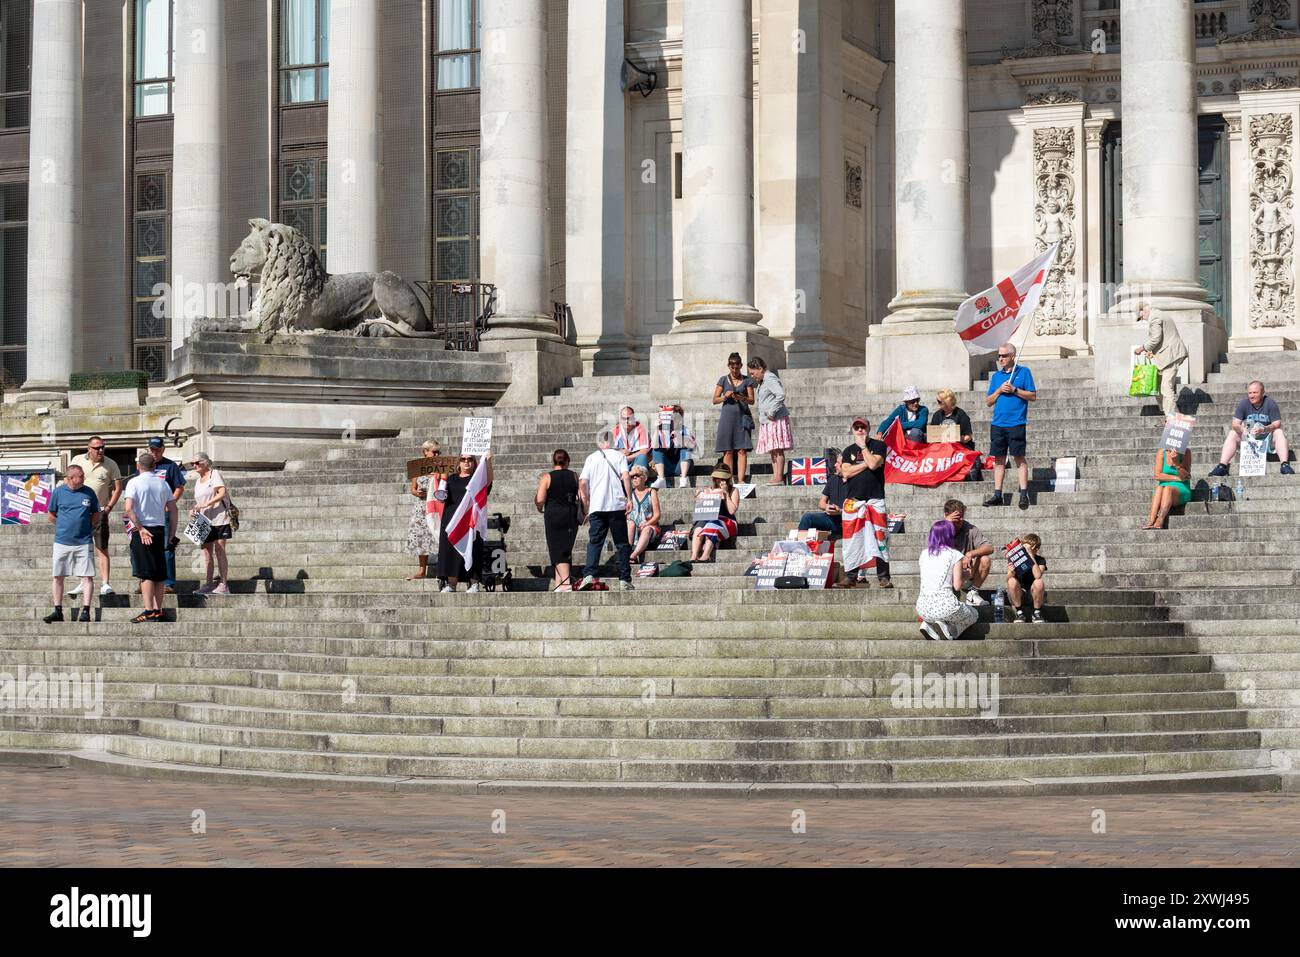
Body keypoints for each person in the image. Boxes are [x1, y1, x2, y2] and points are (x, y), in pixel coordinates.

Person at [123, 452, 176, 623]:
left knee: (145, 573)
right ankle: (158, 610)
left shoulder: (134, 482)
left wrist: (140, 528)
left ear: (138, 466)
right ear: (155, 466)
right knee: (159, 574)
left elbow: (129, 508)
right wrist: (172, 534)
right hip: (160, 529)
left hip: (143, 529)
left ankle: (148, 610)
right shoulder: (163, 484)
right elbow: (173, 510)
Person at [44, 465, 101, 624]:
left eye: (83, 475)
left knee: (87, 576)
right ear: (70, 478)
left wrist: (86, 526)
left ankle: (86, 611)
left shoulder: (89, 492)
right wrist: (63, 525)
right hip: (62, 541)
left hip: (84, 541)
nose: (83, 478)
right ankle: (58, 610)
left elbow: (96, 513)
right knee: (57, 576)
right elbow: (51, 514)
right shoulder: (58, 492)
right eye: (80, 476)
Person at [839, 417, 891, 588]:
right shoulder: (848, 450)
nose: (860, 430)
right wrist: (865, 465)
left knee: (880, 538)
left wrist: (863, 448)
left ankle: (883, 577)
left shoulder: (878, 445)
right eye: (857, 427)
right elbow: (845, 471)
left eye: (863, 427)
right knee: (853, 540)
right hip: (854, 500)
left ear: (869, 428)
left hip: (875, 499)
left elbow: (875, 464)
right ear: (853, 430)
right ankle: (851, 576)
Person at [577, 433, 634, 591]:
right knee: (622, 543)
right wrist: (629, 498)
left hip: (597, 506)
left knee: (595, 542)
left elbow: (582, 482)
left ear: (600, 443)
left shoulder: (591, 458)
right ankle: (624, 579)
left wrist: (587, 500)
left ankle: (589, 574)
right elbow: (626, 477)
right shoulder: (619, 456)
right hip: (616, 504)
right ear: (613, 442)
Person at [67, 436, 122, 597]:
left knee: (102, 547)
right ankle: (82, 582)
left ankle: (105, 583)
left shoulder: (110, 463)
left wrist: (109, 507)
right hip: (79, 512)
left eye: (103, 447)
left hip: (100, 511)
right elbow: (68, 482)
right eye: (97, 448)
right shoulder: (77, 459)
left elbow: (118, 488)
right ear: (88, 448)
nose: (100, 450)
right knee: (81, 548)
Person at [984, 343, 1036, 510]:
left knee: (1019, 458)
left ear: (1012, 356)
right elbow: (989, 402)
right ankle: (998, 493)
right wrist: (999, 390)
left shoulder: (1024, 372)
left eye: (1004, 356)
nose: (1000, 359)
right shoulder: (996, 377)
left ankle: (1023, 493)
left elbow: (1033, 395)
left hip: (1016, 423)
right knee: (998, 460)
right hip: (998, 423)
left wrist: (1014, 390)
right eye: (999, 356)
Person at [1208, 380, 1294, 476]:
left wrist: (1264, 429)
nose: (1251, 396)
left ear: (1262, 393)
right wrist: (1242, 429)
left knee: (1279, 432)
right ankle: (1222, 466)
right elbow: (1235, 424)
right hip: (1249, 438)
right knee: (1233, 433)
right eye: (1250, 393)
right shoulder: (1244, 403)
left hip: (1266, 439)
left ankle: (1284, 464)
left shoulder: (1270, 403)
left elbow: (1277, 423)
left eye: (1255, 392)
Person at [437, 452, 494, 593]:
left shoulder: (477, 479)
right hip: (452, 520)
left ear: (474, 463)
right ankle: (451, 584)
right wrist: (442, 479)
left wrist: (488, 462)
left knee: (473, 550)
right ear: (459, 462)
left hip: (471, 522)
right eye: (463, 459)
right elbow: (441, 497)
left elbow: (489, 482)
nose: (466, 462)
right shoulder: (451, 479)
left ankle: (474, 583)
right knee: (451, 552)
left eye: (470, 459)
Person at [916, 519, 979, 641]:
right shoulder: (955, 554)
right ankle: (949, 630)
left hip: (922, 608)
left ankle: (930, 625)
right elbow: (957, 586)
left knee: (941, 613)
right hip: (945, 607)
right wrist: (968, 574)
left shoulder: (924, 554)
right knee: (974, 614)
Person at [144, 437, 186, 593]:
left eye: (157, 449)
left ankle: (168, 582)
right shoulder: (143, 465)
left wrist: (170, 503)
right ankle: (146, 580)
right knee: (145, 548)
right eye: (151, 449)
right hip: (146, 514)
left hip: (164, 513)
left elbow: (179, 487)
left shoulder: (170, 466)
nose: (154, 452)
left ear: (163, 449)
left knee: (167, 547)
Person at [1133, 301, 1188, 420]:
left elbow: (1156, 338)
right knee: (1158, 385)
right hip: (1168, 355)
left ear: (1144, 311)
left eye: (1141, 317)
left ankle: (1172, 418)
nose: (1143, 319)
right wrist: (1152, 353)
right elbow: (1163, 338)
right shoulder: (1159, 315)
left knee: (1165, 387)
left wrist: (1142, 348)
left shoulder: (1155, 317)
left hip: (1171, 356)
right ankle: (1171, 415)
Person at [536, 449, 581, 592]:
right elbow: (582, 496)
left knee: (556, 548)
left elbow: (540, 499)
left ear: (553, 461)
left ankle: (566, 583)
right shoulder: (574, 476)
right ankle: (559, 583)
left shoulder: (547, 477)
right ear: (567, 461)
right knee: (564, 547)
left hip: (553, 514)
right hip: (570, 514)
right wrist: (584, 511)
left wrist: (538, 507)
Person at [188, 453, 234, 595]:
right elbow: (200, 501)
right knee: (206, 552)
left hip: (219, 517)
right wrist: (194, 509)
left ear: (206, 463)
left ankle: (223, 583)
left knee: (219, 550)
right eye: (192, 463)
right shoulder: (198, 481)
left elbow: (222, 492)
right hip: (203, 520)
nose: (194, 466)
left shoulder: (214, 474)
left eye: (197, 462)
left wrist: (206, 504)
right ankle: (208, 583)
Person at [747, 357, 793, 485]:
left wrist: (772, 411)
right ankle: (776, 475)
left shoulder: (769, 378)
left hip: (775, 419)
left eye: (753, 373)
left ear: (760, 369)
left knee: (777, 448)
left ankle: (779, 476)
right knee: (772, 449)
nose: (752, 376)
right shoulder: (763, 381)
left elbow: (781, 395)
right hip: (767, 421)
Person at [712, 352, 756, 484]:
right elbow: (714, 400)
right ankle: (728, 480)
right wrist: (725, 396)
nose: (735, 370)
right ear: (729, 366)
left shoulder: (747, 380)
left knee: (742, 450)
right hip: (727, 418)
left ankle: (741, 480)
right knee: (728, 450)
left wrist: (742, 397)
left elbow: (752, 400)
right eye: (732, 367)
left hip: (742, 417)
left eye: (737, 367)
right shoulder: (723, 380)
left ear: (741, 365)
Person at [405, 439, 443, 580]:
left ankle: (443, 569)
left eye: (438, 452)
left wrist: (438, 477)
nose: (437, 454)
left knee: (437, 535)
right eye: (434, 452)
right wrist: (417, 492)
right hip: (421, 506)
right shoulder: (417, 468)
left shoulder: (441, 467)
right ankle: (422, 571)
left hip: (435, 505)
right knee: (421, 536)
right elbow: (413, 489)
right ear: (425, 452)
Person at [944, 499, 993, 606]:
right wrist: (947, 525)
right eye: (957, 518)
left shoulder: (970, 528)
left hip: (966, 572)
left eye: (962, 516)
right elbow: (933, 552)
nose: (960, 520)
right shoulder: (939, 529)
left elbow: (989, 548)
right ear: (947, 515)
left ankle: (972, 593)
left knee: (985, 559)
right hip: (946, 574)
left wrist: (970, 554)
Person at [690, 466, 741, 562]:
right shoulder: (708, 489)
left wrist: (726, 494)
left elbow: (731, 511)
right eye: (718, 478)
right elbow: (702, 510)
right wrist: (698, 498)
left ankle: (705, 556)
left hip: (727, 521)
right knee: (698, 528)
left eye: (723, 478)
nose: (720, 480)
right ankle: (693, 556)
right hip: (709, 518)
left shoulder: (733, 490)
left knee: (711, 526)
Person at [930, 389, 979, 481]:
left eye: (940, 401)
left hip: (959, 447)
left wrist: (956, 438)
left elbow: (969, 436)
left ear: (946, 402)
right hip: (943, 448)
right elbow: (933, 434)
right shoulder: (937, 415)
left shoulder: (961, 414)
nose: (938, 403)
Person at [797, 450, 846, 535]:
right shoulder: (833, 479)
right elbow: (821, 502)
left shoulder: (855, 482)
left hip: (847, 519)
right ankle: (800, 546)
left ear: (846, 465)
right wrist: (827, 507)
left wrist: (841, 511)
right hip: (830, 518)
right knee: (807, 517)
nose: (835, 465)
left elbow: (859, 508)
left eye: (838, 463)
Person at [1145, 446, 1192, 530]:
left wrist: (1177, 464)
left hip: (1181, 488)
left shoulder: (1186, 452)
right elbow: (1157, 475)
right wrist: (1177, 478)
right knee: (1160, 488)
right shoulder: (1161, 452)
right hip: (1165, 486)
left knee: (1167, 489)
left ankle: (1160, 519)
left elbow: (1186, 476)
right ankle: (1151, 520)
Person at [1005, 532, 1047, 624]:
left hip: (1033, 594)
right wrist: (1012, 572)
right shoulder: (1015, 558)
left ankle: (1037, 613)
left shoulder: (1040, 560)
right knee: (1011, 580)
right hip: (1018, 593)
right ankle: (1019, 612)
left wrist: (1030, 556)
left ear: (1036, 549)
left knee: (1039, 582)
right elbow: (1007, 578)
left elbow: (1037, 576)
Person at [651, 404, 696, 489]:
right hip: (666, 467)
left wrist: (679, 436)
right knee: (656, 449)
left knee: (685, 447)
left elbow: (692, 446)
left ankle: (683, 478)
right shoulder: (661, 430)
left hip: (682, 467)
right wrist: (657, 429)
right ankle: (661, 479)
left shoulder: (684, 429)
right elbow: (654, 446)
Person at [627, 465, 663, 563]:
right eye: (632, 476)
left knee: (647, 529)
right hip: (633, 526)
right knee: (630, 523)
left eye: (637, 475)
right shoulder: (630, 494)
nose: (634, 478)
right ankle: (626, 552)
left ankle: (633, 556)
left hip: (649, 525)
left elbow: (657, 515)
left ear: (645, 477)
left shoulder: (651, 492)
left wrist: (646, 524)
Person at [612, 407, 650, 471]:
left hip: (636, 460)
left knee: (642, 457)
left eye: (629, 418)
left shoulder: (641, 429)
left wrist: (628, 458)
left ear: (634, 419)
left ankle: (635, 476)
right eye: (624, 419)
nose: (626, 421)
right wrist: (620, 452)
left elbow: (644, 451)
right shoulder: (615, 430)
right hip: (621, 461)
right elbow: (610, 452)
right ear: (620, 419)